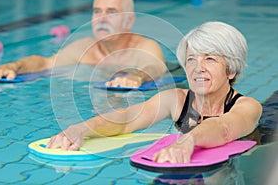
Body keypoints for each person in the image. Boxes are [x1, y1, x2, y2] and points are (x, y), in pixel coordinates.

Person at [46, 21, 262, 163]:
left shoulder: (247, 107)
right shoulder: (176, 100)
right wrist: (80, 129)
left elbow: (223, 128)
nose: (198, 68)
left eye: (210, 59)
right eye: (191, 59)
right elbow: (126, 119)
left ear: (231, 69)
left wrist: (187, 141)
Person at [0, 0, 166, 88]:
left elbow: (155, 67)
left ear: (129, 20)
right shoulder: (83, 48)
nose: (102, 19)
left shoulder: (144, 47)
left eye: (111, 12)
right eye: (97, 12)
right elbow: (45, 63)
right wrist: (12, 66)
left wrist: (137, 75)